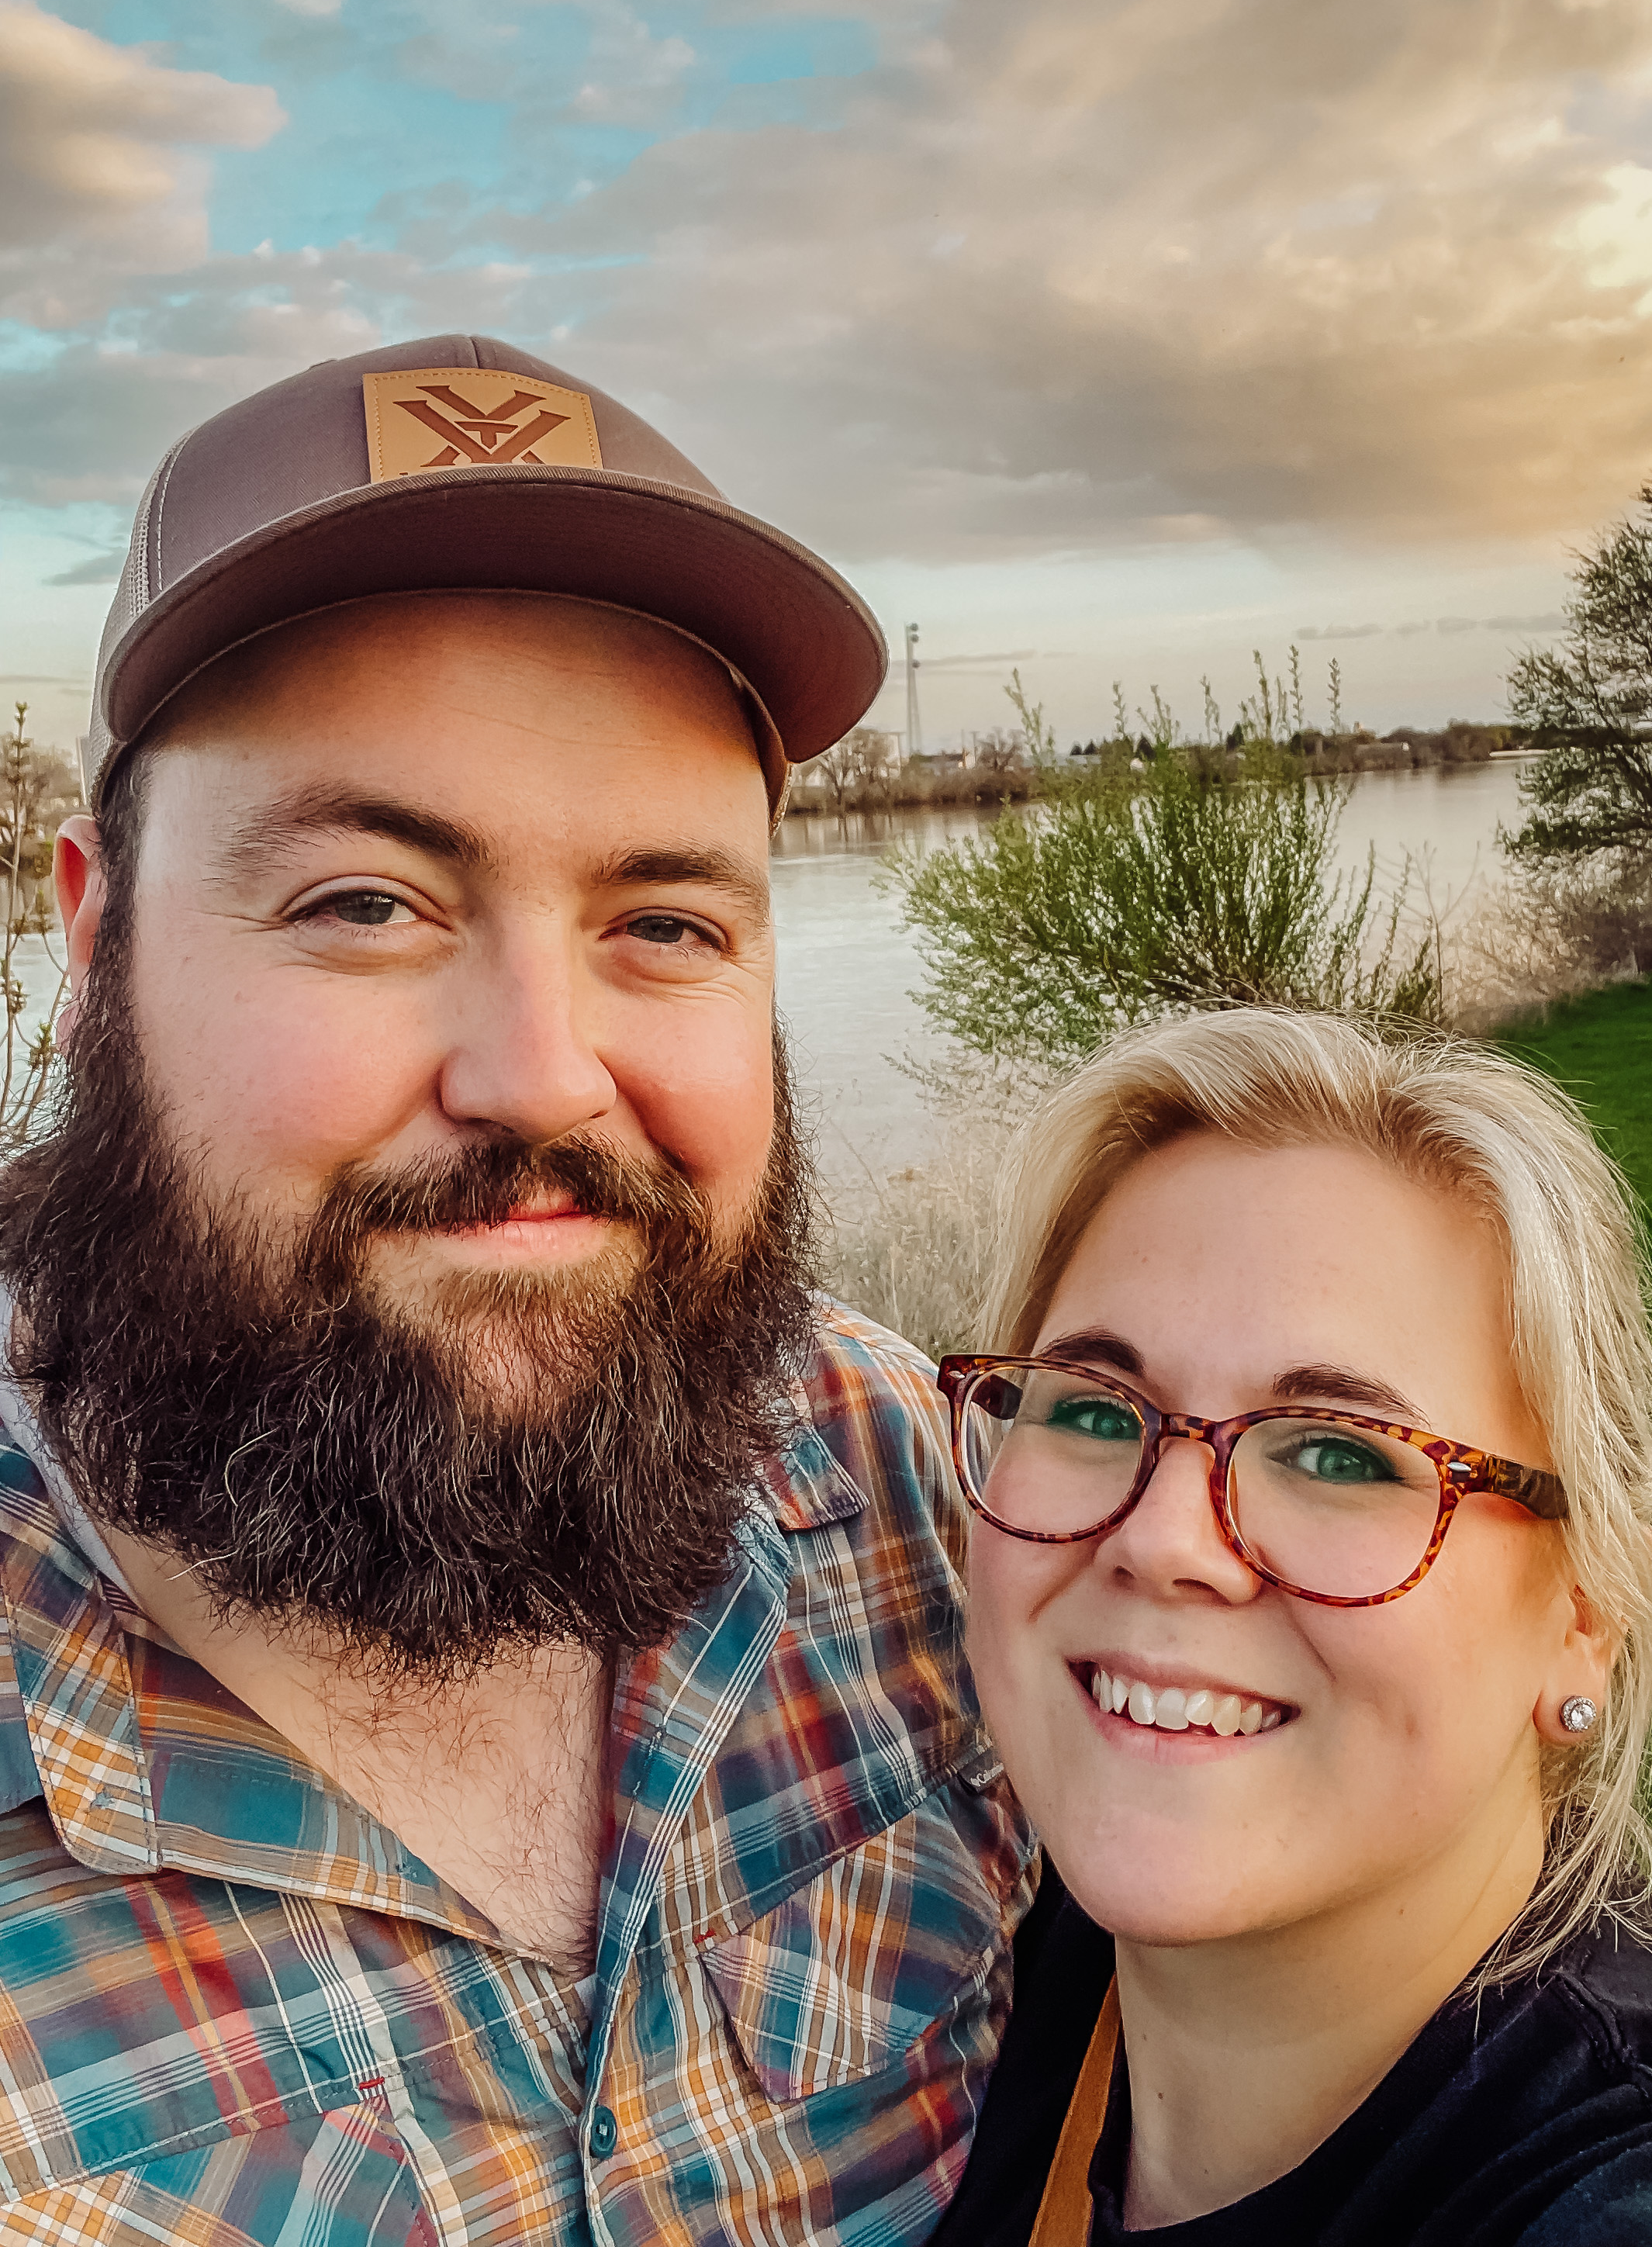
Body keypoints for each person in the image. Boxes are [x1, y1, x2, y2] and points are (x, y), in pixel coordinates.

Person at [0, 337, 1032, 2245]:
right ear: (95, 936)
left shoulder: (926, 1493)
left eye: (665, 923)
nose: (545, 1074)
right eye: (366, 900)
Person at [932, 1006, 1652, 2245]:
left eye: (1338, 1453)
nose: (1168, 1539)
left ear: (1585, 1613)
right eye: (1094, 1409)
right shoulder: (991, 1961)